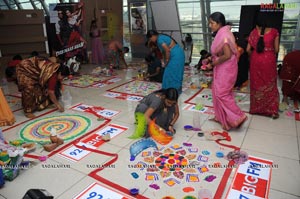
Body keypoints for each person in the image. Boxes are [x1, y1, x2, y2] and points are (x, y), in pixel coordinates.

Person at [204, 12, 247, 130]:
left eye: (212, 23)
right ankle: (220, 117)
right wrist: (210, 58)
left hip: (226, 68)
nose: (210, 25)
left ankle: (239, 116)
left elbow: (227, 55)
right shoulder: (222, 33)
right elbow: (220, 53)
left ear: (219, 23)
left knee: (222, 93)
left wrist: (212, 64)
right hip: (222, 67)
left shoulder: (224, 36)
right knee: (216, 91)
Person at [246, 13, 280, 118]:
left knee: (256, 84)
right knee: (270, 84)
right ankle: (272, 111)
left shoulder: (253, 32)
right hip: (269, 60)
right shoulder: (274, 32)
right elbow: (277, 50)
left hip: (256, 60)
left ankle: (256, 109)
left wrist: (254, 56)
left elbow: (247, 50)